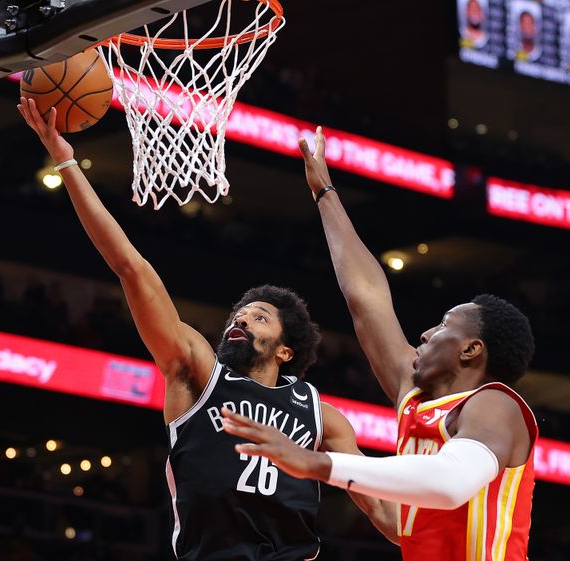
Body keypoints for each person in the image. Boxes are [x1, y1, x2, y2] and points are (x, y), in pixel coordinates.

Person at [16, 100, 397, 560]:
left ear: (285, 351)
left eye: (259, 317)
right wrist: (66, 161)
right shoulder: (196, 373)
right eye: (239, 313)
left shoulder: (320, 414)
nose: (240, 319)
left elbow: (384, 514)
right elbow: (131, 269)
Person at [221, 127, 538, 561]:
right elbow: (367, 300)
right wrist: (325, 193)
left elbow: (449, 485)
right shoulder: (417, 398)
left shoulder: (495, 405)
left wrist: (318, 464)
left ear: (471, 350)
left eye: (444, 325)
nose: (425, 334)